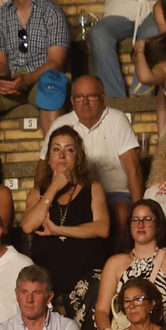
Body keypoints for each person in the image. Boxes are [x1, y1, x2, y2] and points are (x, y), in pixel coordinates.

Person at [21, 129, 112, 326]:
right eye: (56, 149)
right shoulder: (39, 193)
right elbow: (28, 225)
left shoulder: (92, 188)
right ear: (49, 158)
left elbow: (102, 227)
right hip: (48, 276)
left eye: (69, 149)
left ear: (77, 157)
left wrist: (59, 230)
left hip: (85, 275)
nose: (61, 155)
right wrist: (54, 187)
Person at [42, 75, 143, 242]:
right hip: (74, 193)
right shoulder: (61, 123)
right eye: (79, 97)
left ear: (103, 99)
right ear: (72, 101)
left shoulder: (117, 120)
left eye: (92, 96)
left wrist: (140, 209)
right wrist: (42, 201)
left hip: (115, 193)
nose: (85, 102)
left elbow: (134, 169)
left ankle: (122, 259)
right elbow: (43, 166)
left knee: (122, 212)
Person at [98, 201, 166, 330]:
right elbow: (101, 310)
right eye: (135, 219)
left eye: (147, 219)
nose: (140, 224)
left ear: (158, 226)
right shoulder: (115, 263)